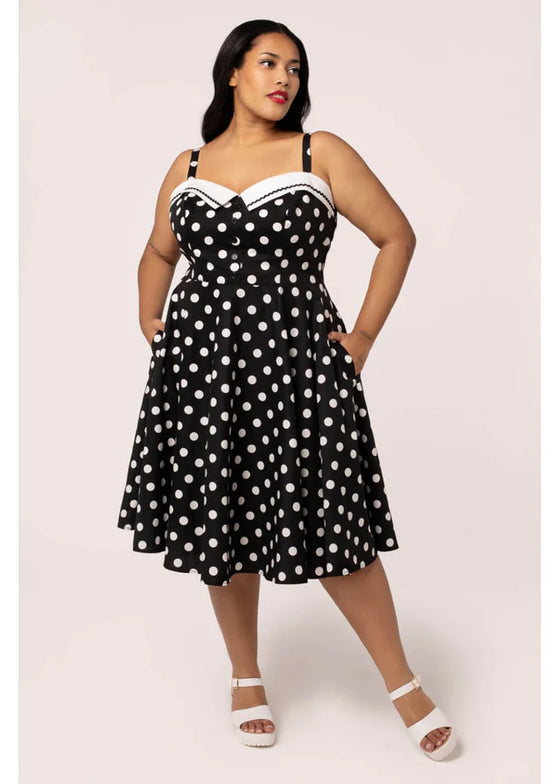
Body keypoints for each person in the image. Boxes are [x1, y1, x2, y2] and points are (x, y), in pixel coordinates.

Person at [117, 19, 458, 760]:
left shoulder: (318, 151)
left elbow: (396, 236)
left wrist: (361, 337)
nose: (284, 78)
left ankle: (403, 684)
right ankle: (245, 676)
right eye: (269, 62)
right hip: (205, 372)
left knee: (337, 523)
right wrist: (151, 318)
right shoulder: (187, 164)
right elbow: (158, 251)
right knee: (223, 518)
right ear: (232, 72)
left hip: (301, 366)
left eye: (295, 68)